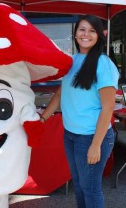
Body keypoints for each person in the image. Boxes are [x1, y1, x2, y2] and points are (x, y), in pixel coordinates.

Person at [40, 15, 119, 208]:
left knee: (90, 188)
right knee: (79, 184)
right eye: (82, 29)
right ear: (75, 34)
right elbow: (60, 94)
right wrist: (42, 119)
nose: (86, 34)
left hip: (92, 136)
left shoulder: (103, 63)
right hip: (71, 134)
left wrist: (95, 145)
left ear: (99, 36)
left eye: (92, 30)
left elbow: (108, 107)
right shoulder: (71, 61)